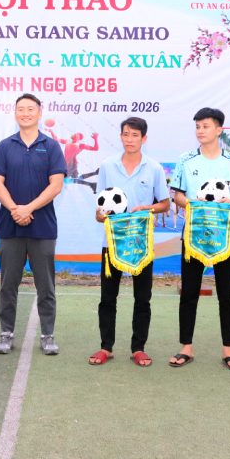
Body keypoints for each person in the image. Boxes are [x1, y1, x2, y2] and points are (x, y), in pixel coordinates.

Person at [169, 107, 230, 370]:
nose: (200, 131)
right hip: (193, 235)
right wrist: (191, 202)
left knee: (227, 294)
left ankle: (228, 350)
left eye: (205, 126)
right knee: (189, 292)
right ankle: (186, 348)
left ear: (219, 130)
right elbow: (176, 195)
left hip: (224, 237)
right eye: (198, 127)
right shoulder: (186, 160)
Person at [0, 93, 67, 355]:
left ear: (39, 112)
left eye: (30, 109)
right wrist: (14, 209)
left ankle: (47, 335)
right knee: (8, 284)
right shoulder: (4, 146)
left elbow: (56, 185)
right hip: (10, 227)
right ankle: (6, 333)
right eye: (21, 109)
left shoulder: (52, 146)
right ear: (15, 113)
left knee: (46, 285)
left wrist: (28, 209)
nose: (25, 113)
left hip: (42, 227)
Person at [88, 117, 169, 367]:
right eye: (126, 134)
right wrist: (101, 215)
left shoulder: (154, 168)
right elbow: (99, 210)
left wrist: (149, 208)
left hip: (140, 244)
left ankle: (138, 347)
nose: (130, 139)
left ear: (143, 139)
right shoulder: (107, 166)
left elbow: (165, 204)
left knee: (142, 298)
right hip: (112, 243)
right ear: (121, 137)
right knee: (107, 297)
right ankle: (105, 347)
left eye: (135, 135)